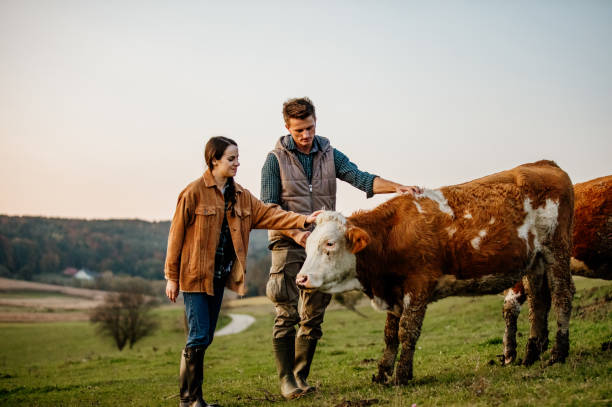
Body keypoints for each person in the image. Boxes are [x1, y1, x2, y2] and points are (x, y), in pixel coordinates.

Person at [261, 97, 421, 399]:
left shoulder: (329, 153)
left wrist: (398, 187)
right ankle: (286, 381)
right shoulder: (274, 160)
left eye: (309, 128)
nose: (306, 136)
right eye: (299, 131)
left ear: (315, 122)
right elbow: (269, 210)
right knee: (286, 312)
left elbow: (360, 178)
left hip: (323, 245)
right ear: (287, 127)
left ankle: (300, 376)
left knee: (313, 316)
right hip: (288, 242)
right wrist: (298, 235)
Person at [164, 136, 321, 407]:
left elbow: (271, 214)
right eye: (231, 158)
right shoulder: (193, 193)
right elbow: (175, 237)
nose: (238, 163)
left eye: (237, 158)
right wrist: (171, 277)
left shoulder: (241, 196)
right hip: (194, 277)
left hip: (218, 278)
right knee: (199, 336)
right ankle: (189, 400)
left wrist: (304, 219)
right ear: (214, 160)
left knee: (206, 337)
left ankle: (192, 399)